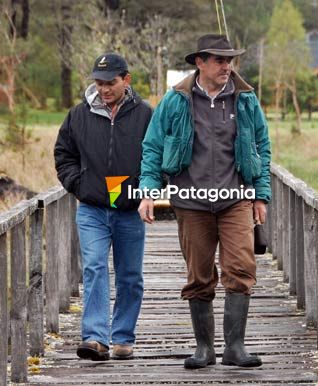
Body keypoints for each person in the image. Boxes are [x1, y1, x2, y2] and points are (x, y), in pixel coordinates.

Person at [138, 34, 271, 369]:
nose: (227, 66)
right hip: (191, 201)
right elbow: (152, 147)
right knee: (198, 275)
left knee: (241, 268)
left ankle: (235, 348)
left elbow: (261, 147)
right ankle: (204, 349)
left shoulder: (245, 100)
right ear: (200, 62)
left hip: (236, 199)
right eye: (219, 60)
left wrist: (260, 194)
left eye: (230, 60)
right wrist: (148, 191)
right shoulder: (175, 100)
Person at [54, 53, 152, 361]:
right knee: (94, 267)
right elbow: (63, 153)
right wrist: (79, 184)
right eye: (99, 83)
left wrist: (147, 190)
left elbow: (156, 155)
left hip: (128, 207)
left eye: (110, 83)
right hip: (93, 207)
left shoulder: (145, 115)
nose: (104, 89)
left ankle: (123, 337)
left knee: (130, 276)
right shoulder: (78, 115)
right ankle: (95, 337)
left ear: (127, 80)